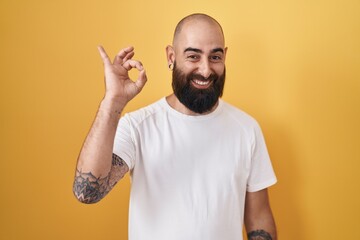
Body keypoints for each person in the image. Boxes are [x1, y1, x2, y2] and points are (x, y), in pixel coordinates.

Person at [73, 13, 277, 240]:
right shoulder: (138, 127)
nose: (206, 69)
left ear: (225, 57)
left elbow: (259, 217)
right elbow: (86, 192)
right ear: (171, 56)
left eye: (215, 57)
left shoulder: (246, 129)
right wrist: (113, 102)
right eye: (193, 56)